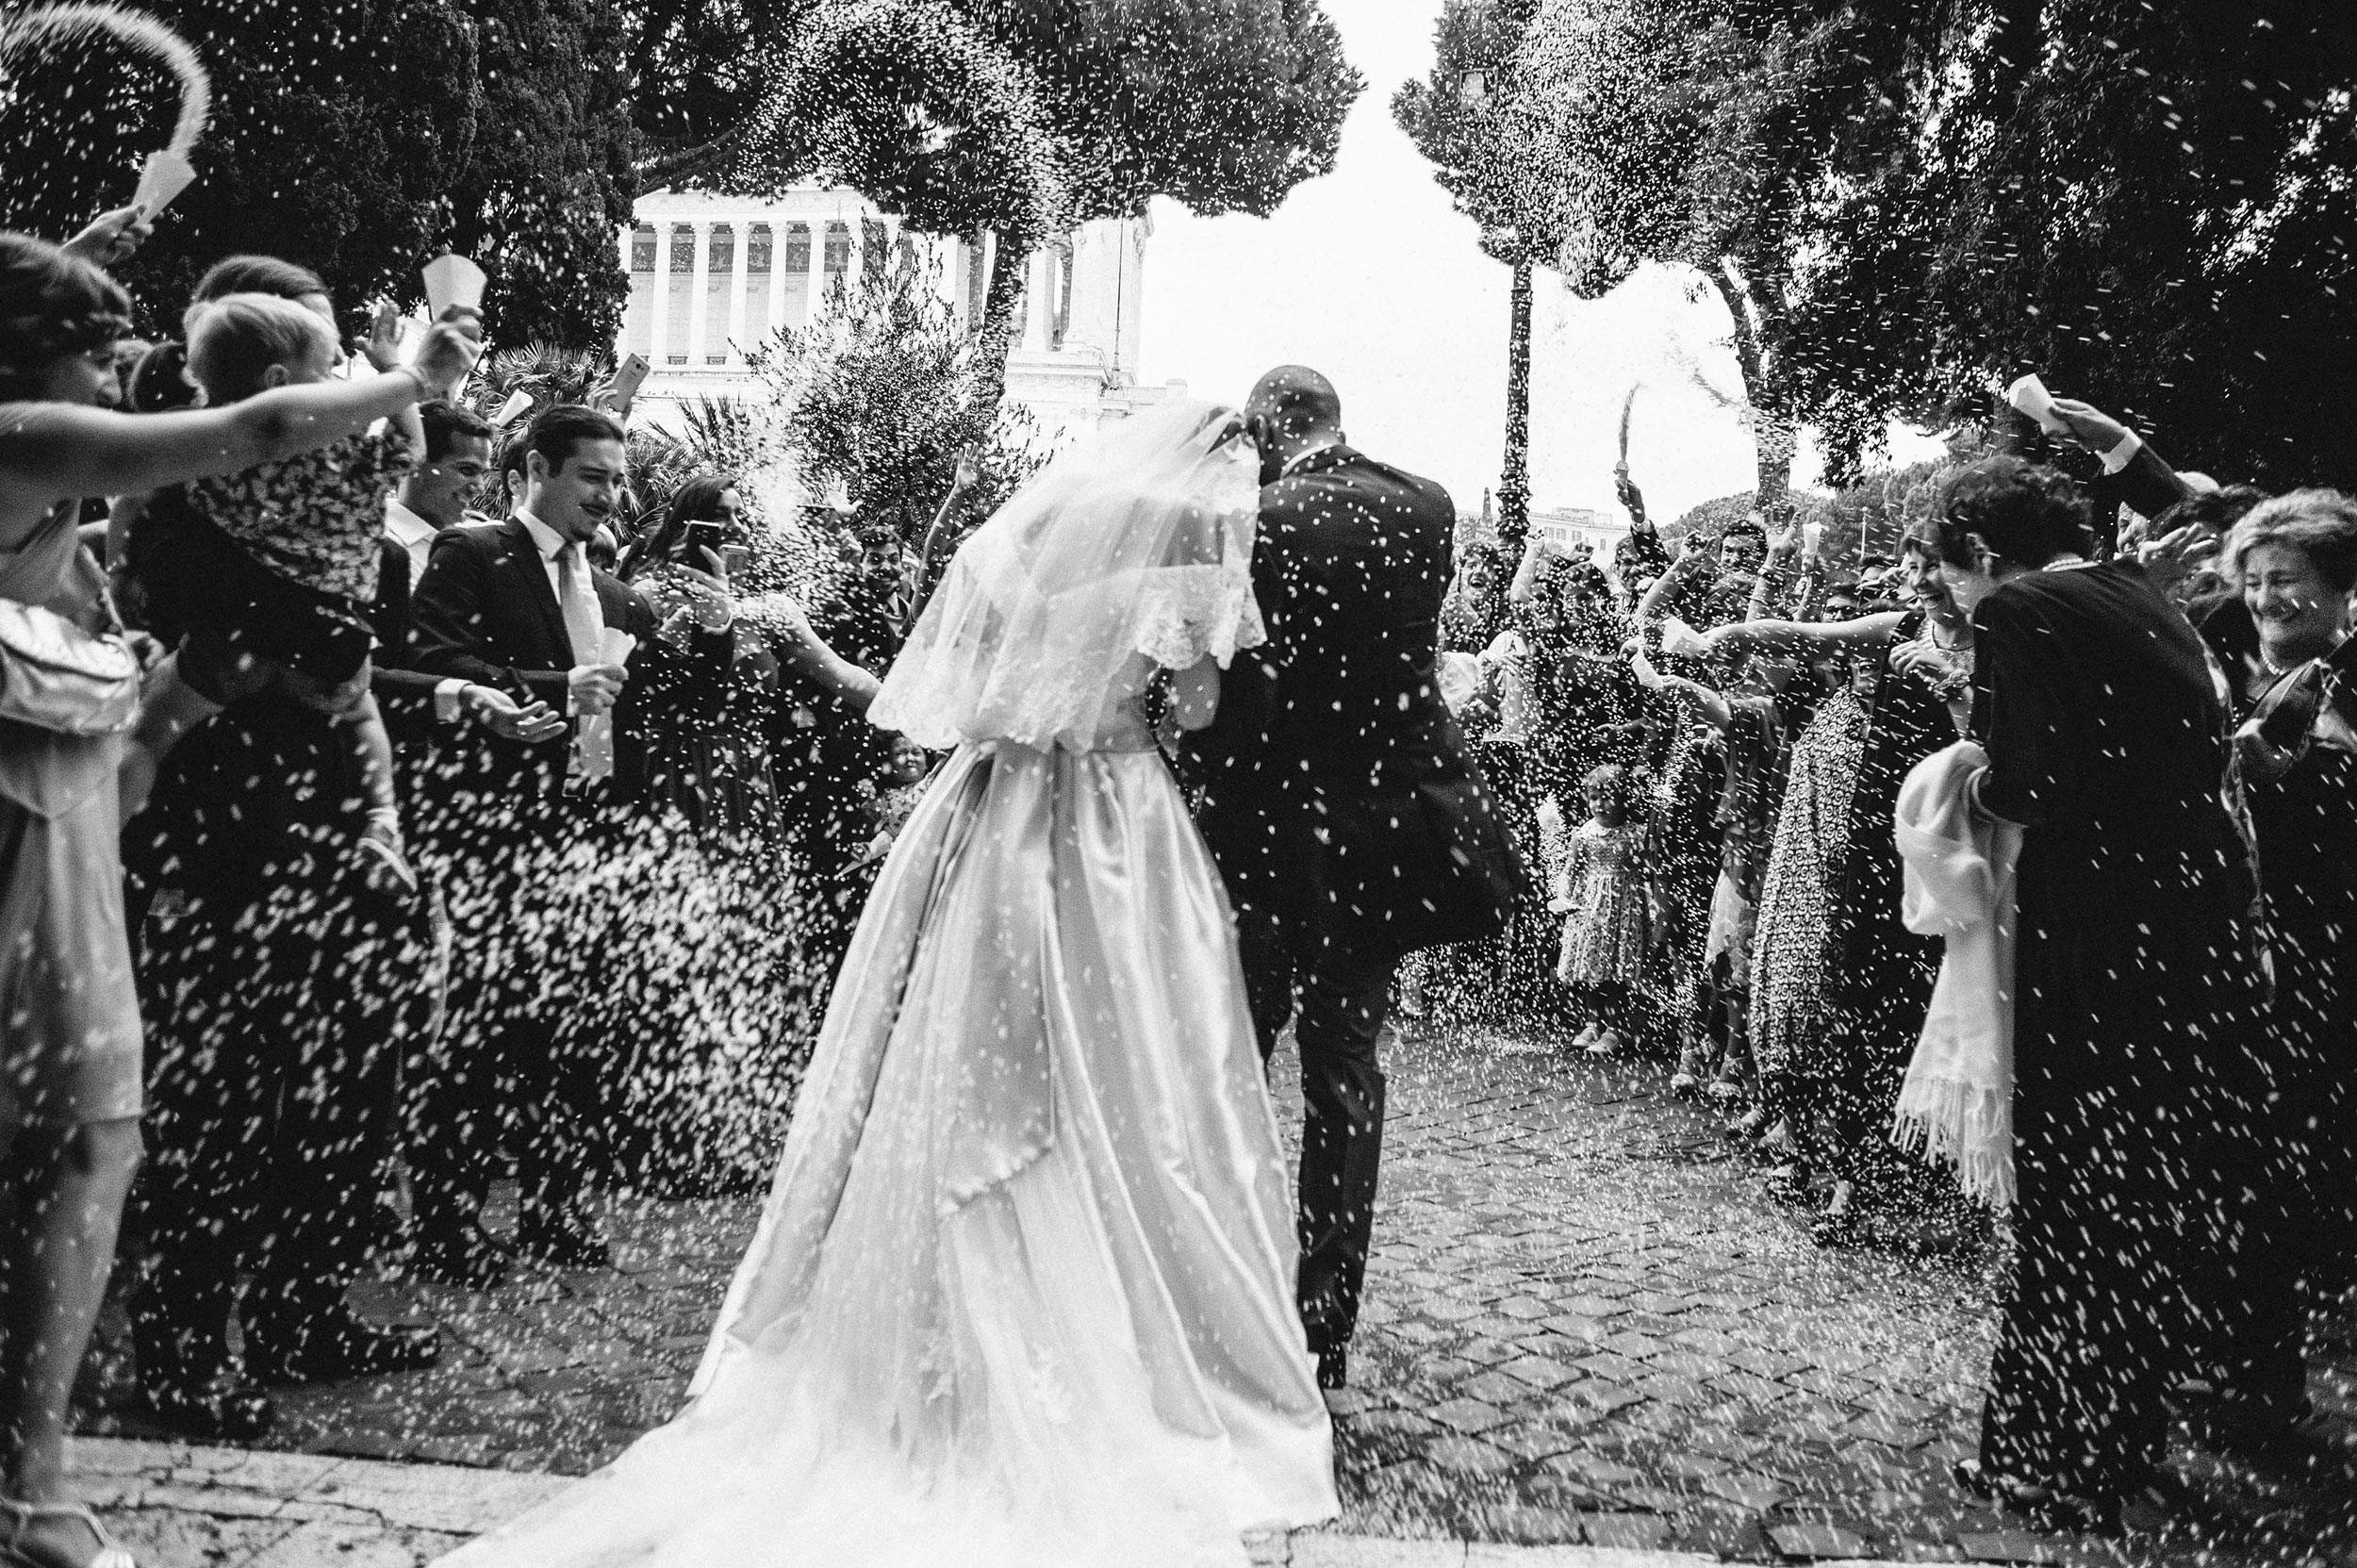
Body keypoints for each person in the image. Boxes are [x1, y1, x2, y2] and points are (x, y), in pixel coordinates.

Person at [437, 402, 1336, 1568]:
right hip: (1113, 827)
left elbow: (957, 689)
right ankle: (1125, 1317)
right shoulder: (1197, 542)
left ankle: (911, 1329)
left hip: (987, 815)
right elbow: (1196, 711)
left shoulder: (1031, 536)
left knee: (951, 1055)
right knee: (1134, 1071)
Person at [0, 230, 475, 1568]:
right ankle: (66, 1449)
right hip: (107, 806)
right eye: (94, 345)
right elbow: (258, 431)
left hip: (144, 789)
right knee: (121, 1114)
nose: (122, 367)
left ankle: (54, 1458)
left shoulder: (71, 451)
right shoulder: (72, 450)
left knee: (127, 1115)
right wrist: (412, 373)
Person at [1935, 455, 2262, 1531]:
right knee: (2143, 1191)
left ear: (1980, 553)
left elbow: (2033, 778)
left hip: (2101, 936)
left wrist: (1954, 784)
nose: (1959, 612)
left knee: (2073, 1193)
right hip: (2188, 934)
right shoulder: (2133, 588)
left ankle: (2053, 1455)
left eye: (1954, 588)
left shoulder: (2028, 605)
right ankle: (2119, 1438)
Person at [1190, 366, 1517, 1390]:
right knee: (1345, 1073)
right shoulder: (1425, 503)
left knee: (1237, 1061)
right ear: (1334, 419)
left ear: (1261, 429)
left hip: (1269, 835)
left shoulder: (1251, 515)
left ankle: (1228, 1293)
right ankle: (1325, 1313)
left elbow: (1234, 681)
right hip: (1382, 837)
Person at [405, 404, 735, 1279]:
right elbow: (435, 662)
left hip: (595, 833)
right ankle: (449, 1225)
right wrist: (559, 683)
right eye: (593, 476)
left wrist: (715, 630)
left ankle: (556, 1204)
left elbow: (677, 713)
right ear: (537, 470)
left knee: (578, 1030)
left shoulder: (620, 595)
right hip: (496, 833)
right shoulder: (474, 555)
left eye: (618, 480)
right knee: (481, 1032)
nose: (611, 495)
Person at [2190, 491, 2357, 1437]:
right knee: (2231, 1168)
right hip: (2241, 959)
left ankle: (2261, 1386)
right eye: (2251, 580)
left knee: (2272, 1178)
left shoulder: (2340, 688)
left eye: (2284, 579)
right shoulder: (2245, 678)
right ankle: (2235, 1363)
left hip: (2320, 967)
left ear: (2341, 588)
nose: (2262, 597)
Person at [1553, 763, 1647, 1056]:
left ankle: (1615, 1028)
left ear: (1623, 799)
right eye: (1594, 798)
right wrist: (1562, 895)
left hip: (1622, 909)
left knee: (1617, 969)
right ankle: (1592, 1022)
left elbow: (1645, 871)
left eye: (1608, 797)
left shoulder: (1634, 834)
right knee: (1592, 968)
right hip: (1591, 909)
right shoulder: (1584, 834)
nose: (1600, 805)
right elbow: (1571, 869)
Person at [385, 400, 496, 587]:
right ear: (415, 464)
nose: (479, 487)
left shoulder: (478, 541)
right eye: (467, 470)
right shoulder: (373, 540)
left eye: (482, 474)